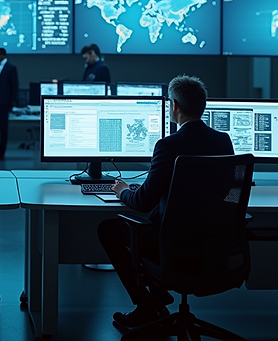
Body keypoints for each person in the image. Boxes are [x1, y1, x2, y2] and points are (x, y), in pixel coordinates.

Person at [97, 75, 233, 329]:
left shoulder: (168, 145)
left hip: (171, 240)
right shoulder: (223, 140)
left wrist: (123, 191)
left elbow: (143, 201)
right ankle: (158, 295)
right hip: (211, 240)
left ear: (174, 106)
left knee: (107, 229)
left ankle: (146, 305)